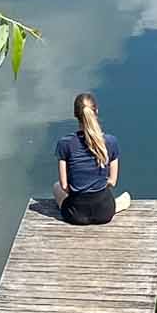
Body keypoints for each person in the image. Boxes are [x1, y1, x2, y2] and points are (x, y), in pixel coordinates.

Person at [53, 92, 132, 226]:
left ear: (75, 114)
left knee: (56, 187)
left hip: (76, 215)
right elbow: (112, 182)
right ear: (96, 111)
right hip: (104, 213)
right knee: (126, 198)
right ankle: (117, 205)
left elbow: (65, 186)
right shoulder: (110, 142)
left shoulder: (65, 144)